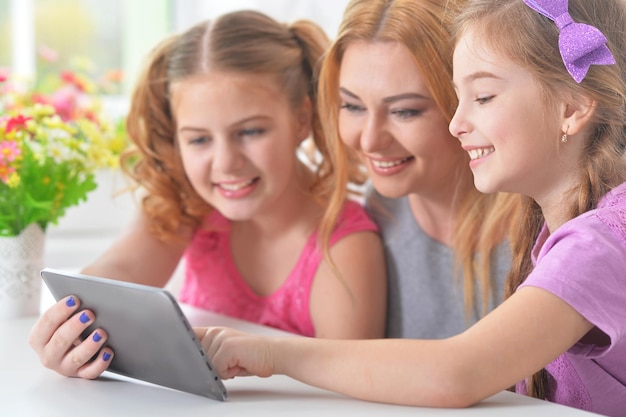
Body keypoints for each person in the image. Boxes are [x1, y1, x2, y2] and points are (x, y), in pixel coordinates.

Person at [196, 0, 626, 414]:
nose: (458, 122)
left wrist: (271, 352)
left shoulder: (597, 241)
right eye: (350, 106)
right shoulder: (562, 227)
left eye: (484, 97)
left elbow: (457, 373)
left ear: (572, 107)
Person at [28, 10, 387, 379]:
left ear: (301, 119)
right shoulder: (189, 205)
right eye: (199, 139)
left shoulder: (344, 245)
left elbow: (347, 381)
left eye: (250, 132)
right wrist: (73, 328)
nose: (227, 163)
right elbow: (117, 273)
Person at [317, 0, 518, 339]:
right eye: (352, 106)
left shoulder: (546, 231)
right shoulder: (381, 209)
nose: (369, 141)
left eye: (405, 111)